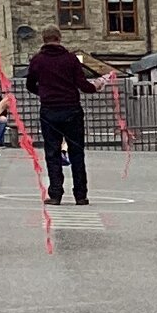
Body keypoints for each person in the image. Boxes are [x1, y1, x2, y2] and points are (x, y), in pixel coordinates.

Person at [22, 27, 111, 207]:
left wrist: (45, 93)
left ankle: (55, 194)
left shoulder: (37, 60)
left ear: (43, 39)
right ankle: (81, 195)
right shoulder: (70, 59)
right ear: (59, 38)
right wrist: (97, 85)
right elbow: (82, 85)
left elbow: (29, 84)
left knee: (52, 153)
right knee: (76, 152)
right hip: (71, 109)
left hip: (49, 110)